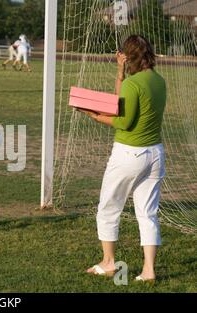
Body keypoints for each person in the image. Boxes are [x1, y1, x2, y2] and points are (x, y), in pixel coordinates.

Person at [78, 35, 167, 283]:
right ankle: (149, 270)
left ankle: (108, 263)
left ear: (127, 56)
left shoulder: (133, 83)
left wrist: (94, 115)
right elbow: (121, 105)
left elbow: (123, 121)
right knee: (148, 213)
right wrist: (120, 73)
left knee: (108, 207)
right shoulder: (159, 81)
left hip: (129, 153)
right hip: (155, 154)